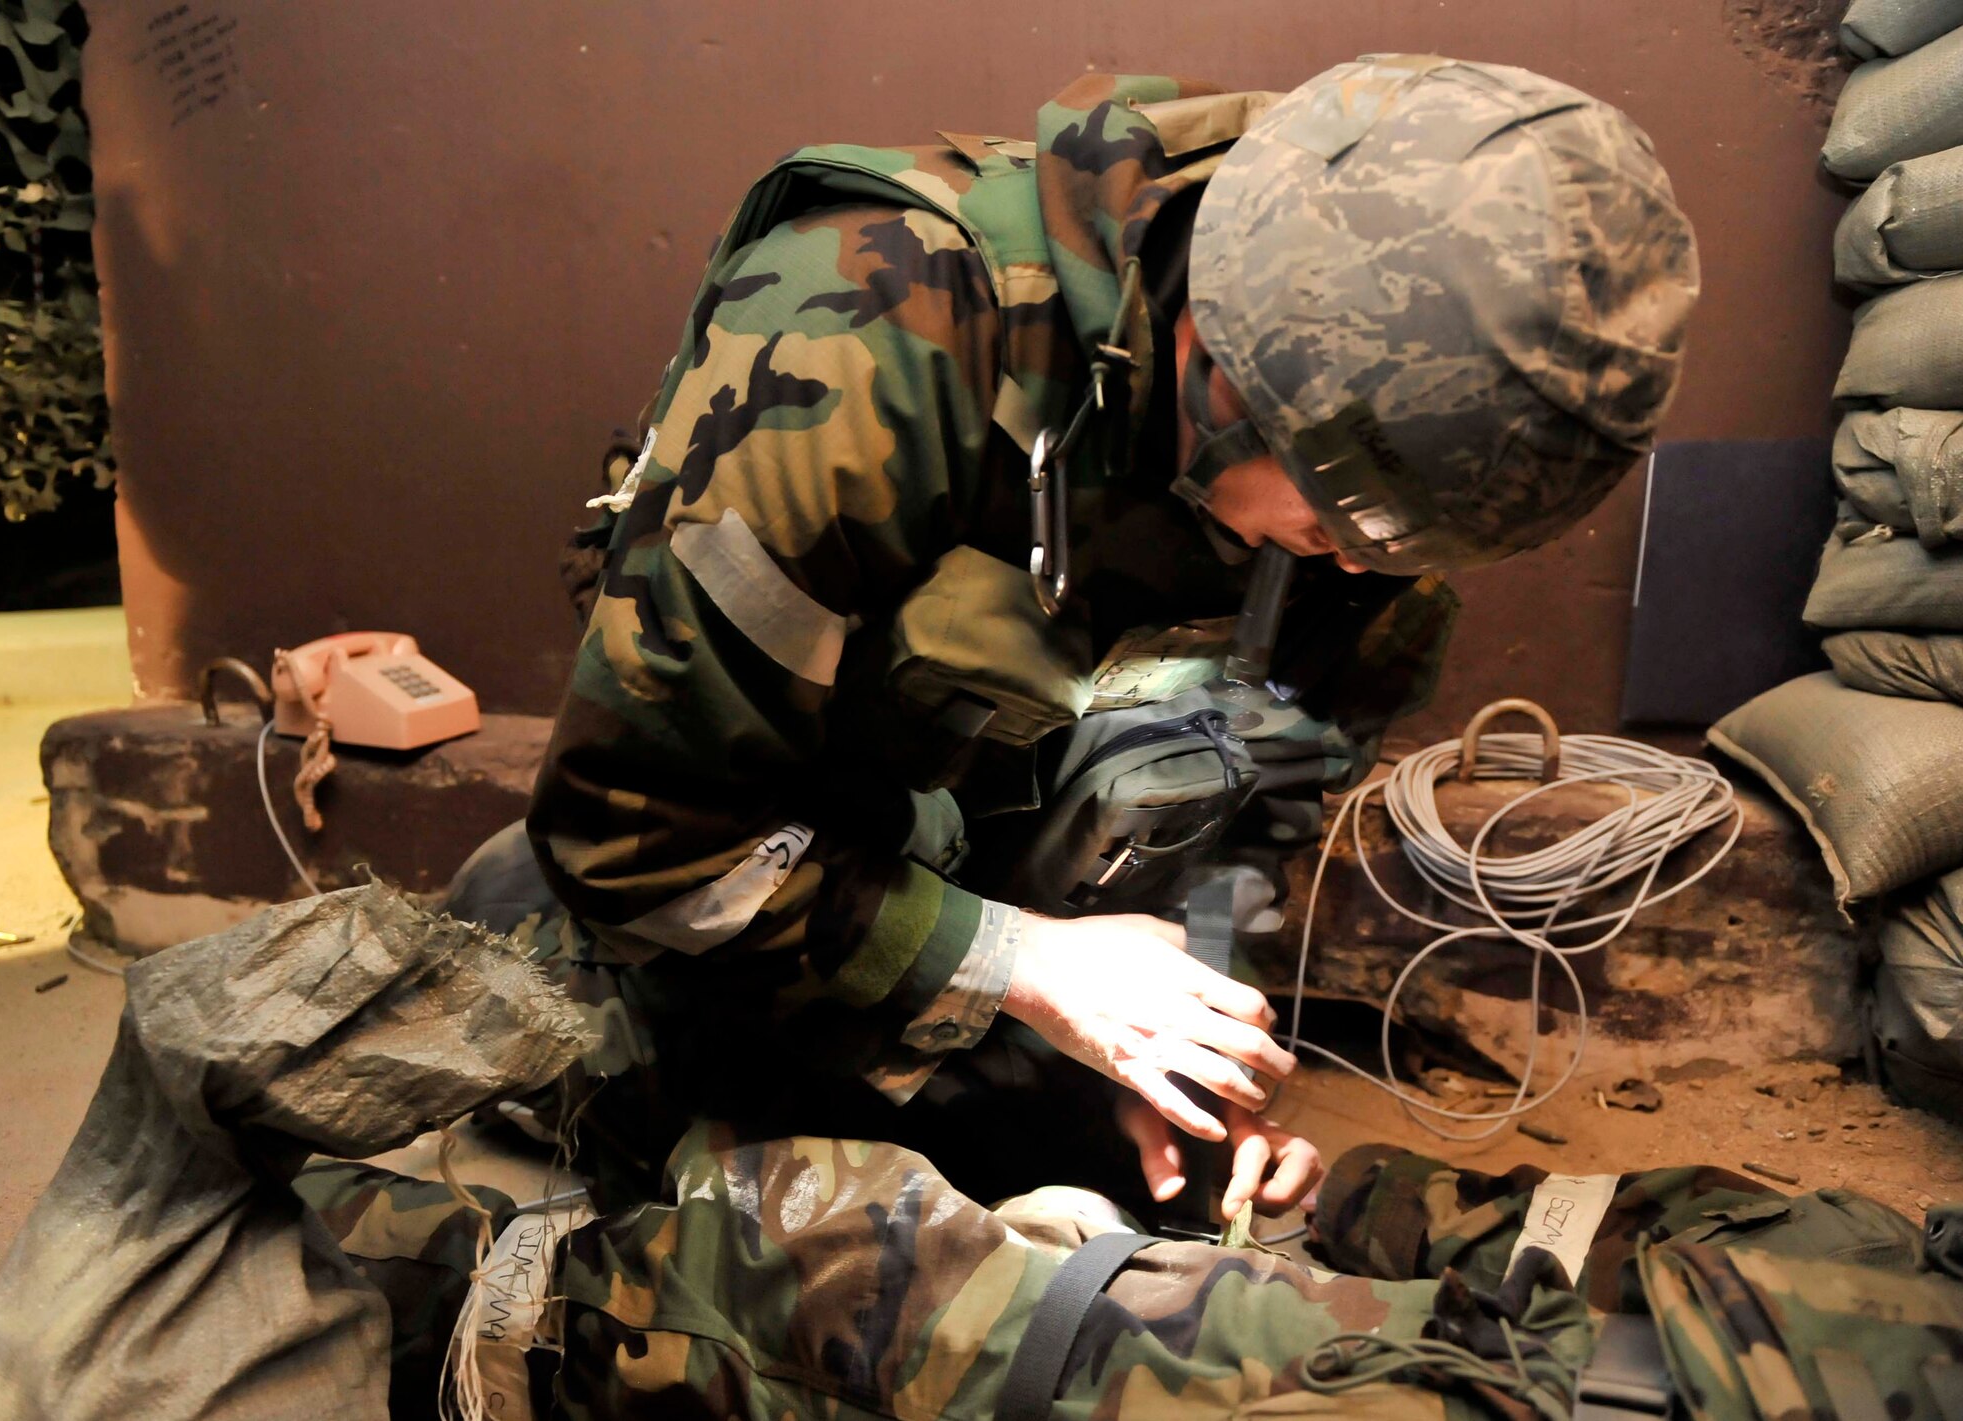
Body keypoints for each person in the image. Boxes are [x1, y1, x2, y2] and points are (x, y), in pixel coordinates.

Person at [515, 56, 1699, 1224]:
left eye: (1401, 545)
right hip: (734, 878)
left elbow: (1261, 804)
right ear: (1215, 367)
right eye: (1346, 523)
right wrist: (1021, 967)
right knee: (634, 1193)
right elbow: (632, 834)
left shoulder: (1377, 460)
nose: (1358, 566)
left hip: (987, 909)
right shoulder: (862, 336)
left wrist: (1170, 1061)